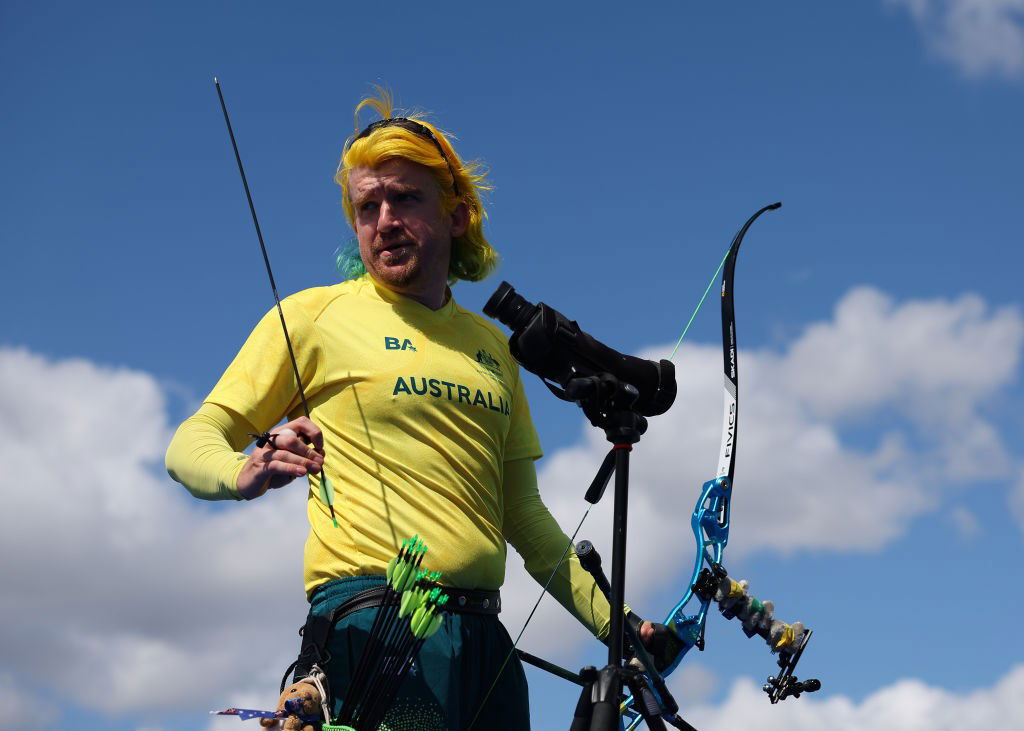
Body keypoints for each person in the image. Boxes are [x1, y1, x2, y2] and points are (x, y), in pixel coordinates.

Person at [166, 90, 662, 730]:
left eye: (405, 198)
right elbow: (193, 440)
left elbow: (524, 516)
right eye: (366, 206)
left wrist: (618, 626)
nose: (384, 220)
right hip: (372, 622)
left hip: (484, 637)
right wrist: (245, 470)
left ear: (457, 216)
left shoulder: (491, 347)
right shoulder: (315, 317)